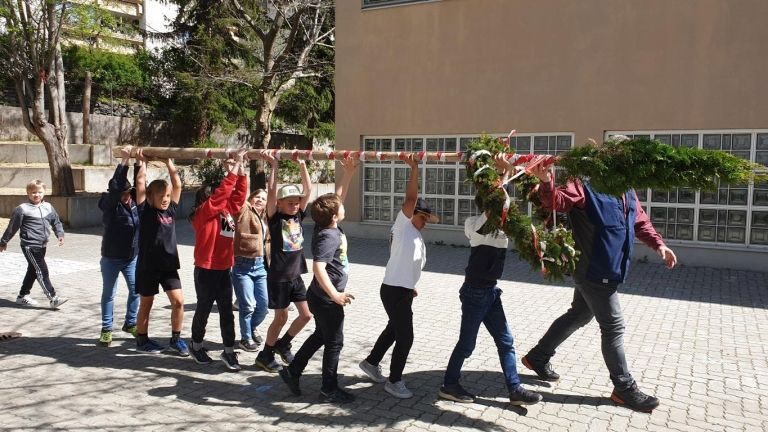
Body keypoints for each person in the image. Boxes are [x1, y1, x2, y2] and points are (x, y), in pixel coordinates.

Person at [521, 157, 677, 413]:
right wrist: (546, 182)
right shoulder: (584, 185)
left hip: (611, 268)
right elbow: (556, 202)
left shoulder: (626, 191)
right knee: (613, 326)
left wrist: (659, 244)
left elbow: (640, 221)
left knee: (580, 314)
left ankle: (537, 356)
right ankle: (624, 388)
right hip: (593, 271)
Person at [438, 155, 543, 406]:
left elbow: (501, 202)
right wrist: (506, 171)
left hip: (491, 292)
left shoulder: (502, 225)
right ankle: (449, 385)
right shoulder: (474, 225)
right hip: (475, 292)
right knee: (467, 345)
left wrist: (506, 173)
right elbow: (500, 201)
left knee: (506, 341)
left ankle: (515, 389)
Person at [278, 158, 359, 404]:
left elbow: (337, 199)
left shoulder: (326, 224)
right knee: (335, 342)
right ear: (335, 216)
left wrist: (348, 174)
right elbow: (318, 267)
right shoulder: (329, 236)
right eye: (339, 208)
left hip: (320, 296)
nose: (342, 206)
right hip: (325, 298)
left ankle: (292, 371)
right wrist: (335, 295)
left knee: (321, 335)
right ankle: (328, 388)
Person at [359, 155, 438, 399]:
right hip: (394, 290)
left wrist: (411, 285)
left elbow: (408, 262)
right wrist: (414, 168)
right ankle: (394, 381)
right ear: (410, 214)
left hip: (402, 289)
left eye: (426, 218)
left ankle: (371, 363)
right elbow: (411, 199)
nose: (425, 221)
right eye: (422, 216)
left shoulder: (415, 234)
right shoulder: (403, 226)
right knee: (406, 337)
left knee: (394, 329)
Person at [188, 151, 248, 371]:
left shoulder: (225, 212)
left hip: (223, 268)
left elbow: (238, 196)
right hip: (206, 269)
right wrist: (234, 167)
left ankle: (229, 351)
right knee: (203, 309)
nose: (220, 198)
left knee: (226, 311)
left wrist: (241, 172)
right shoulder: (203, 213)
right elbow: (222, 194)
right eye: (213, 196)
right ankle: (196, 345)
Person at [254, 157, 313, 372]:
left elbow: (308, 190)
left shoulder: (298, 216)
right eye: (290, 202)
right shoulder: (275, 218)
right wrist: (274, 166)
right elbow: (271, 191)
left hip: (296, 276)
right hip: (279, 277)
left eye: (296, 201)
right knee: (281, 317)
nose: (295, 204)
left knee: (306, 315)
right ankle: (265, 355)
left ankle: (283, 343)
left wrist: (302, 166)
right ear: (279, 203)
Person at [134, 150, 189, 356]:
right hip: (148, 266)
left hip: (168, 266)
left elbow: (178, 186)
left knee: (179, 302)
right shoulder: (145, 211)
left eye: (167, 196)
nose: (166, 199)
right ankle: (142, 340)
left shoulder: (170, 211)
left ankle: (176, 339)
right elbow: (140, 183)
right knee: (146, 304)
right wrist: (142, 162)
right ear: (150, 197)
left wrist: (169, 162)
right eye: (161, 196)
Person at [97, 146, 143, 347]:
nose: (126, 196)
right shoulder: (109, 205)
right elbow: (116, 187)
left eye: (128, 193)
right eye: (122, 194)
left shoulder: (134, 203)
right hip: (111, 258)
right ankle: (106, 329)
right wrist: (124, 161)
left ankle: (130, 323)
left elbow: (141, 185)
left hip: (131, 257)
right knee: (109, 294)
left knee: (136, 291)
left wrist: (139, 163)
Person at [0, 179, 68, 309]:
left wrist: (60, 234)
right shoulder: (22, 209)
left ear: (44, 192)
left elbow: (56, 222)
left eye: (39, 192)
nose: (36, 195)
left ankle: (22, 296)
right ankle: (53, 298)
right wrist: (3, 241)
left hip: (42, 245)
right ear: (28, 193)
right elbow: (12, 227)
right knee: (42, 270)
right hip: (30, 245)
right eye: (33, 192)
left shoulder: (48, 207)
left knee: (32, 270)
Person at [232, 175, 271, 352]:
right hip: (243, 265)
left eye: (263, 198)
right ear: (250, 198)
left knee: (263, 306)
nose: (260, 200)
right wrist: (239, 174)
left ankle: (252, 327)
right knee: (247, 305)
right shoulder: (244, 211)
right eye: (257, 197)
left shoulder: (266, 217)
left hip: (260, 266)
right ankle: (245, 338)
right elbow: (239, 197)